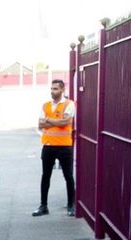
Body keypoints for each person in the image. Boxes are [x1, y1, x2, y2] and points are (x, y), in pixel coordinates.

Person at [34, 78, 76, 217]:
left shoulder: (69, 104)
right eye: (51, 89)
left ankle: (71, 205)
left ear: (62, 90)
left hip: (64, 146)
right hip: (48, 145)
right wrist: (55, 122)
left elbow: (65, 122)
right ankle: (43, 205)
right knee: (45, 176)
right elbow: (40, 124)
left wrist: (49, 120)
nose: (53, 91)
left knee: (68, 176)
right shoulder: (45, 105)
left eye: (56, 89)